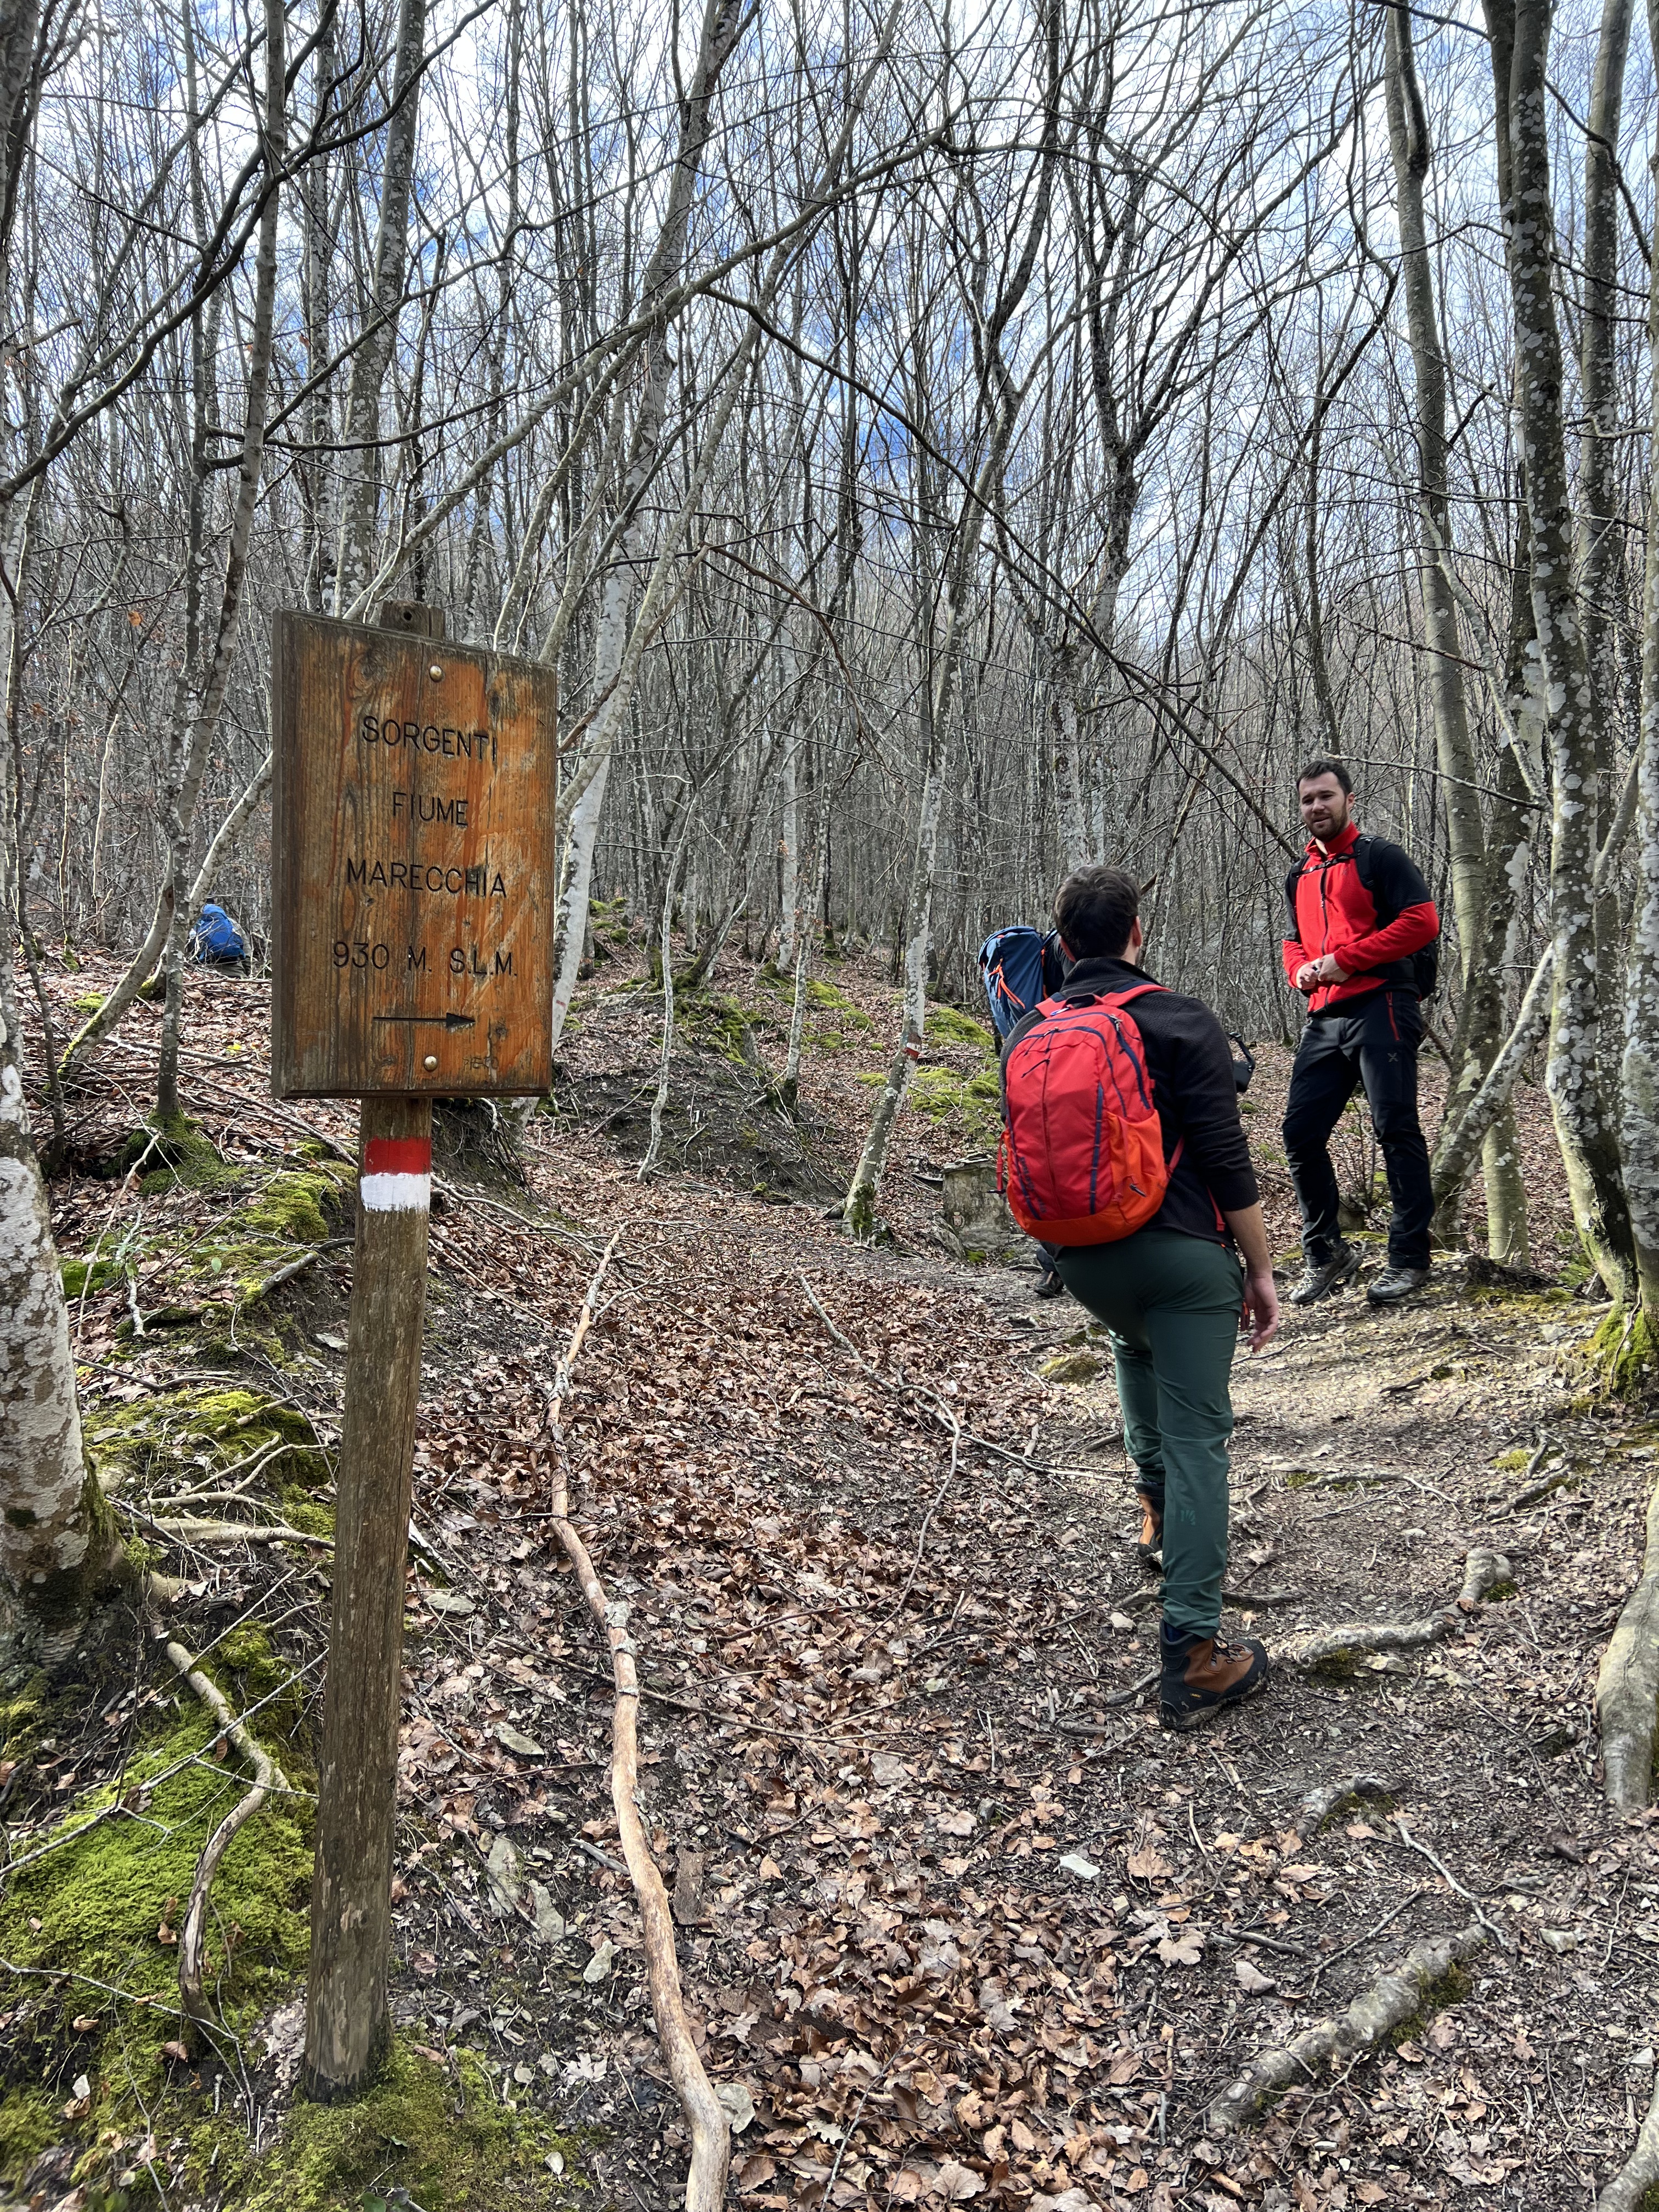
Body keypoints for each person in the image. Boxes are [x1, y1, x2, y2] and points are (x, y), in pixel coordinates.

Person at [1002, 865, 1279, 1732]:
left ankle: (1154, 1515)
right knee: (1203, 1437)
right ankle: (1194, 1657)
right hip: (1183, 1261)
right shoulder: (1178, 1018)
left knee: (1132, 1344)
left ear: (1061, 945)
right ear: (1136, 935)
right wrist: (1262, 1272)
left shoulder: (1029, 1033)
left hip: (1084, 1262)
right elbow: (1228, 1163)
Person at [1280, 759, 1440, 1308]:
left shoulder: (1381, 857)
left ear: (1349, 799)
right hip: (1324, 1017)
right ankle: (1326, 1253)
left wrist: (1347, 960)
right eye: (1307, 800)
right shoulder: (1297, 875)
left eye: (1326, 797)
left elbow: (1422, 922)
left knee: (1395, 1128)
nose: (1317, 807)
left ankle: (1409, 1258)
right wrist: (1300, 969)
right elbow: (1293, 941)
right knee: (1300, 1133)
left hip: (1383, 1005)